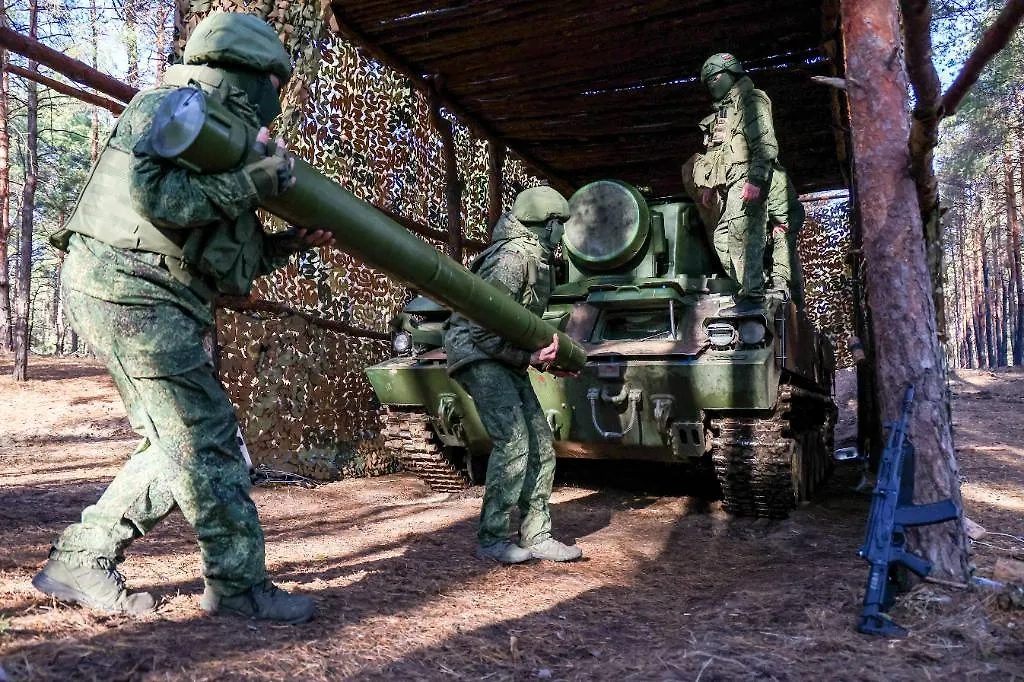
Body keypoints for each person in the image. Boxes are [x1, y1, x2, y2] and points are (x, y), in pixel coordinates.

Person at [32, 12, 333, 624]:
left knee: (178, 443)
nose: (277, 97)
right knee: (208, 438)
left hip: (146, 290)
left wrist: (289, 242)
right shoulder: (172, 107)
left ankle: (81, 559)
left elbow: (215, 253)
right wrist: (253, 182)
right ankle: (239, 588)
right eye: (275, 83)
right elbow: (161, 203)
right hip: (129, 287)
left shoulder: (218, 131)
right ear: (249, 72)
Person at [444, 186, 583, 565]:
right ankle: (492, 537)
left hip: (503, 356)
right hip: (479, 355)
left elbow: (521, 324)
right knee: (515, 441)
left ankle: (537, 533)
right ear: (548, 225)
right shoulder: (511, 259)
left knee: (539, 441)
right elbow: (481, 329)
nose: (563, 234)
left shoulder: (534, 256)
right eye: (560, 225)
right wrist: (532, 356)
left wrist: (547, 359)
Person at [690, 52, 792, 315]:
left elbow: (765, 144)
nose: (711, 84)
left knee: (744, 235)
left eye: (715, 78)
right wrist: (710, 186)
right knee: (722, 238)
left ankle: (751, 296)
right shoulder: (726, 112)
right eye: (707, 81)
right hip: (732, 181)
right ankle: (751, 287)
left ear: (731, 74)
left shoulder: (752, 100)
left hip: (748, 177)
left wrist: (756, 179)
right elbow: (719, 155)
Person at [683, 150, 806, 307]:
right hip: (753, 234)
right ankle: (755, 284)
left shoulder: (773, 176)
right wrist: (710, 188)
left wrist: (779, 283)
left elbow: (785, 217)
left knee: (788, 278)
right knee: (724, 240)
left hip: (779, 227)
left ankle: (788, 300)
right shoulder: (726, 166)